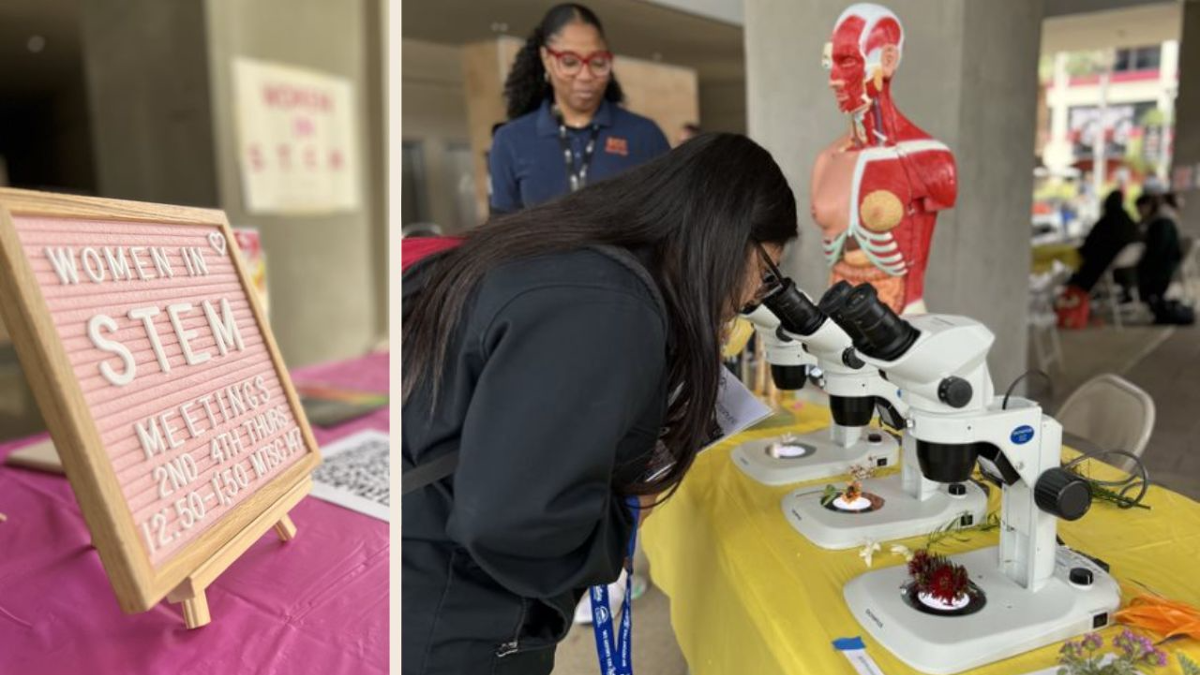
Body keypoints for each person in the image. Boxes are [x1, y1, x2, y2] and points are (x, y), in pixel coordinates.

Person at [402, 134, 799, 674]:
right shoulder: (609, 308)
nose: (753, 298)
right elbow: (514, 523)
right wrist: (626, 515)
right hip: (453, 615)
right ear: (727, 236)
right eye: (766, 274)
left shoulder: (562, 258)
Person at [488, 3, 670, 216]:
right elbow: (500, 227)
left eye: (598, 63)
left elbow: (671, 218)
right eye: (570, 62)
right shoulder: (511, 140)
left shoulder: (645, 135)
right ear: (546, 59)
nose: (585, 76)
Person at [1066, 189, 1140, 293]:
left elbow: (1090, 244)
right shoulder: (1129, 221)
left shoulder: (1107, 221)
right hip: (1123, 270)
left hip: (1102, 266)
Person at [1137, 192, 1191, 324]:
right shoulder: (1166, 219)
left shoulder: (1160, 222)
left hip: (1161, 269)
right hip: (1167, 265)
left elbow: (1156, 250)